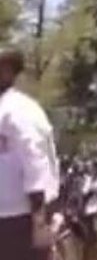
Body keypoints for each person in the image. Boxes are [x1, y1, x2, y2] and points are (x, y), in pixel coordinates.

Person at [0, 47, 60, 260]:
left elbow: (35, 162)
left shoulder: (18, 109)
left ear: (7, 71)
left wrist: (39, 220)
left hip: (20, 218)